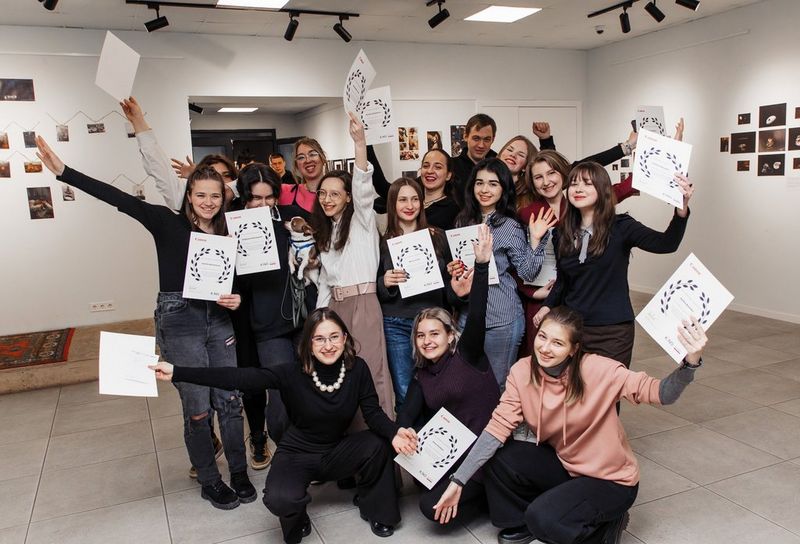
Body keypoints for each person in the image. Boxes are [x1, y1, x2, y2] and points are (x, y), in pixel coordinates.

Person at [35, 136, 255, 510]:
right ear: (188, 196)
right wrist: (63, 171)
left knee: (230, 401)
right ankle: (210, 480)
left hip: (219, 322)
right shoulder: (165, 223)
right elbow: (118, 198)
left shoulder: (231, 233)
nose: (208, 202)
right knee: (198, 407)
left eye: (215, 196)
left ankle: (239, 473)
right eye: (200, 195)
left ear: (224, 198)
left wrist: (238, 298)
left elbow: (239, 283)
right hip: (179, 320)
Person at [432, 306, 708, 544]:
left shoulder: (599, 370)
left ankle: (606, 527)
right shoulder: (522, 372)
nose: (545, 348)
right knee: (501, 454)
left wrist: (689, 364)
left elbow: (661, 393)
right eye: (542, 337)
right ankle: (521, 522)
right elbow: (496, 428)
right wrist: (459, 481)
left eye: (557, 343)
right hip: (569, 466)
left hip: (612, 481)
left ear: (574, 349)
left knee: (543, 519)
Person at [150, 309, 418, 543]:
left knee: (380, 442)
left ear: (345, 339)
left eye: (334, 337)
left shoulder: (357, 369)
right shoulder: (291, 372)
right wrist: (179, 371)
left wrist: (395, 432)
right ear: (308, 343)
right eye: (320, 338)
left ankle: (375, 508)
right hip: (298, 453)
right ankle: (297, 516)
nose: (328, 345)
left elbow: (372, 413)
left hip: (337, 449)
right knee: (279, 499)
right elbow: (239, 376)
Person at [533, 158, 693, 367]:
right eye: (574, 183)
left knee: (607, 395)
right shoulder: (561, 233)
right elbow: (563, 282)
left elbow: (666, 244)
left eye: (587, 183)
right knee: (574, 395)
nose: (578, 189)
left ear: (602, 189)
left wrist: (681, 212)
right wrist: (547, 306)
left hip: (613, 331)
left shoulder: (622, 227)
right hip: (572, 328)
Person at [398, 224, 500, 525]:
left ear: (450, 336)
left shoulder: (468, 354)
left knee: (432, 506)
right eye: (420, 335)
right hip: (454, 453)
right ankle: (476, 496)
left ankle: (489, 497)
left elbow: (478, 312)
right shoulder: (423, 374)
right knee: (422, 489)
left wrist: (481, 266)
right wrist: (401, 432)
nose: (427, 340)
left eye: (434, 333)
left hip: (486, 454)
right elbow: (406, 414)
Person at [311, 113, 395, 420]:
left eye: (335, 193)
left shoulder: (361, 220)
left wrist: (360, 142)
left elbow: (362, 182)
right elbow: (324, 280)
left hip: (363, 303)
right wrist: (318, 318)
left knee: (372, 373)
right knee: (341, 376)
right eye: (323, 193)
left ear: (348, 198)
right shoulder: (325, 229)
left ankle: (384, 444)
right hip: (335, 306)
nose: (327, 199)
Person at [451, 158, 555, 387]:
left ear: (503, 189)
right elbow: (463, 267)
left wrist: (535, 241)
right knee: (465, 380)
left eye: (493, 184)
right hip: (468, 315)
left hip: (502, 318)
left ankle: (500, 425)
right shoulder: (462, 221)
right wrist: (454, 268)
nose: (485, 190)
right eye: (480, 183)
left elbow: (527, 271)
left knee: (497, 383)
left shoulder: (510, 226)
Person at [231, 163, 299, 466]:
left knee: (307, 390)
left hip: (301, 320)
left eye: (268, 197)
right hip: (266, 325)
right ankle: (285, 448)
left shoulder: (291, 222)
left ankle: (308, 450)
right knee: (280, 396)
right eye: (255, 198)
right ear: (244, 198)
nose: (262, 204)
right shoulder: (233, 229)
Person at [377, 177, 452, 409]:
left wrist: (451, 272)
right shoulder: (382, 241)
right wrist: (385, 282)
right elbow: (376, 286)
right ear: (392, 204)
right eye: (402, 200)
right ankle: (410, 440)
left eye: (414, 199)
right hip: (396, 322)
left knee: (439, 388)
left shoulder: (438, 236)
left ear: (421, 202)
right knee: (404, 390)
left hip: (432, 321)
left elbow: (451, 284)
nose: (409, 205)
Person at [451, 114, 555, 207]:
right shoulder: (451, 166)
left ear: (493, 139)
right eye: (476, 138)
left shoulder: (501, 162)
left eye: (487, 139)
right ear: (465, 136)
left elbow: (548, 169)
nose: (481, 145)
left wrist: (546, 141)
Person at [279, 138, 330, 216]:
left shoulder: (338, 192)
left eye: (312, 154)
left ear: (322, 158)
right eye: (301, 157)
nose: (308, 160)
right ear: (296, 165)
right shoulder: (285, 191)